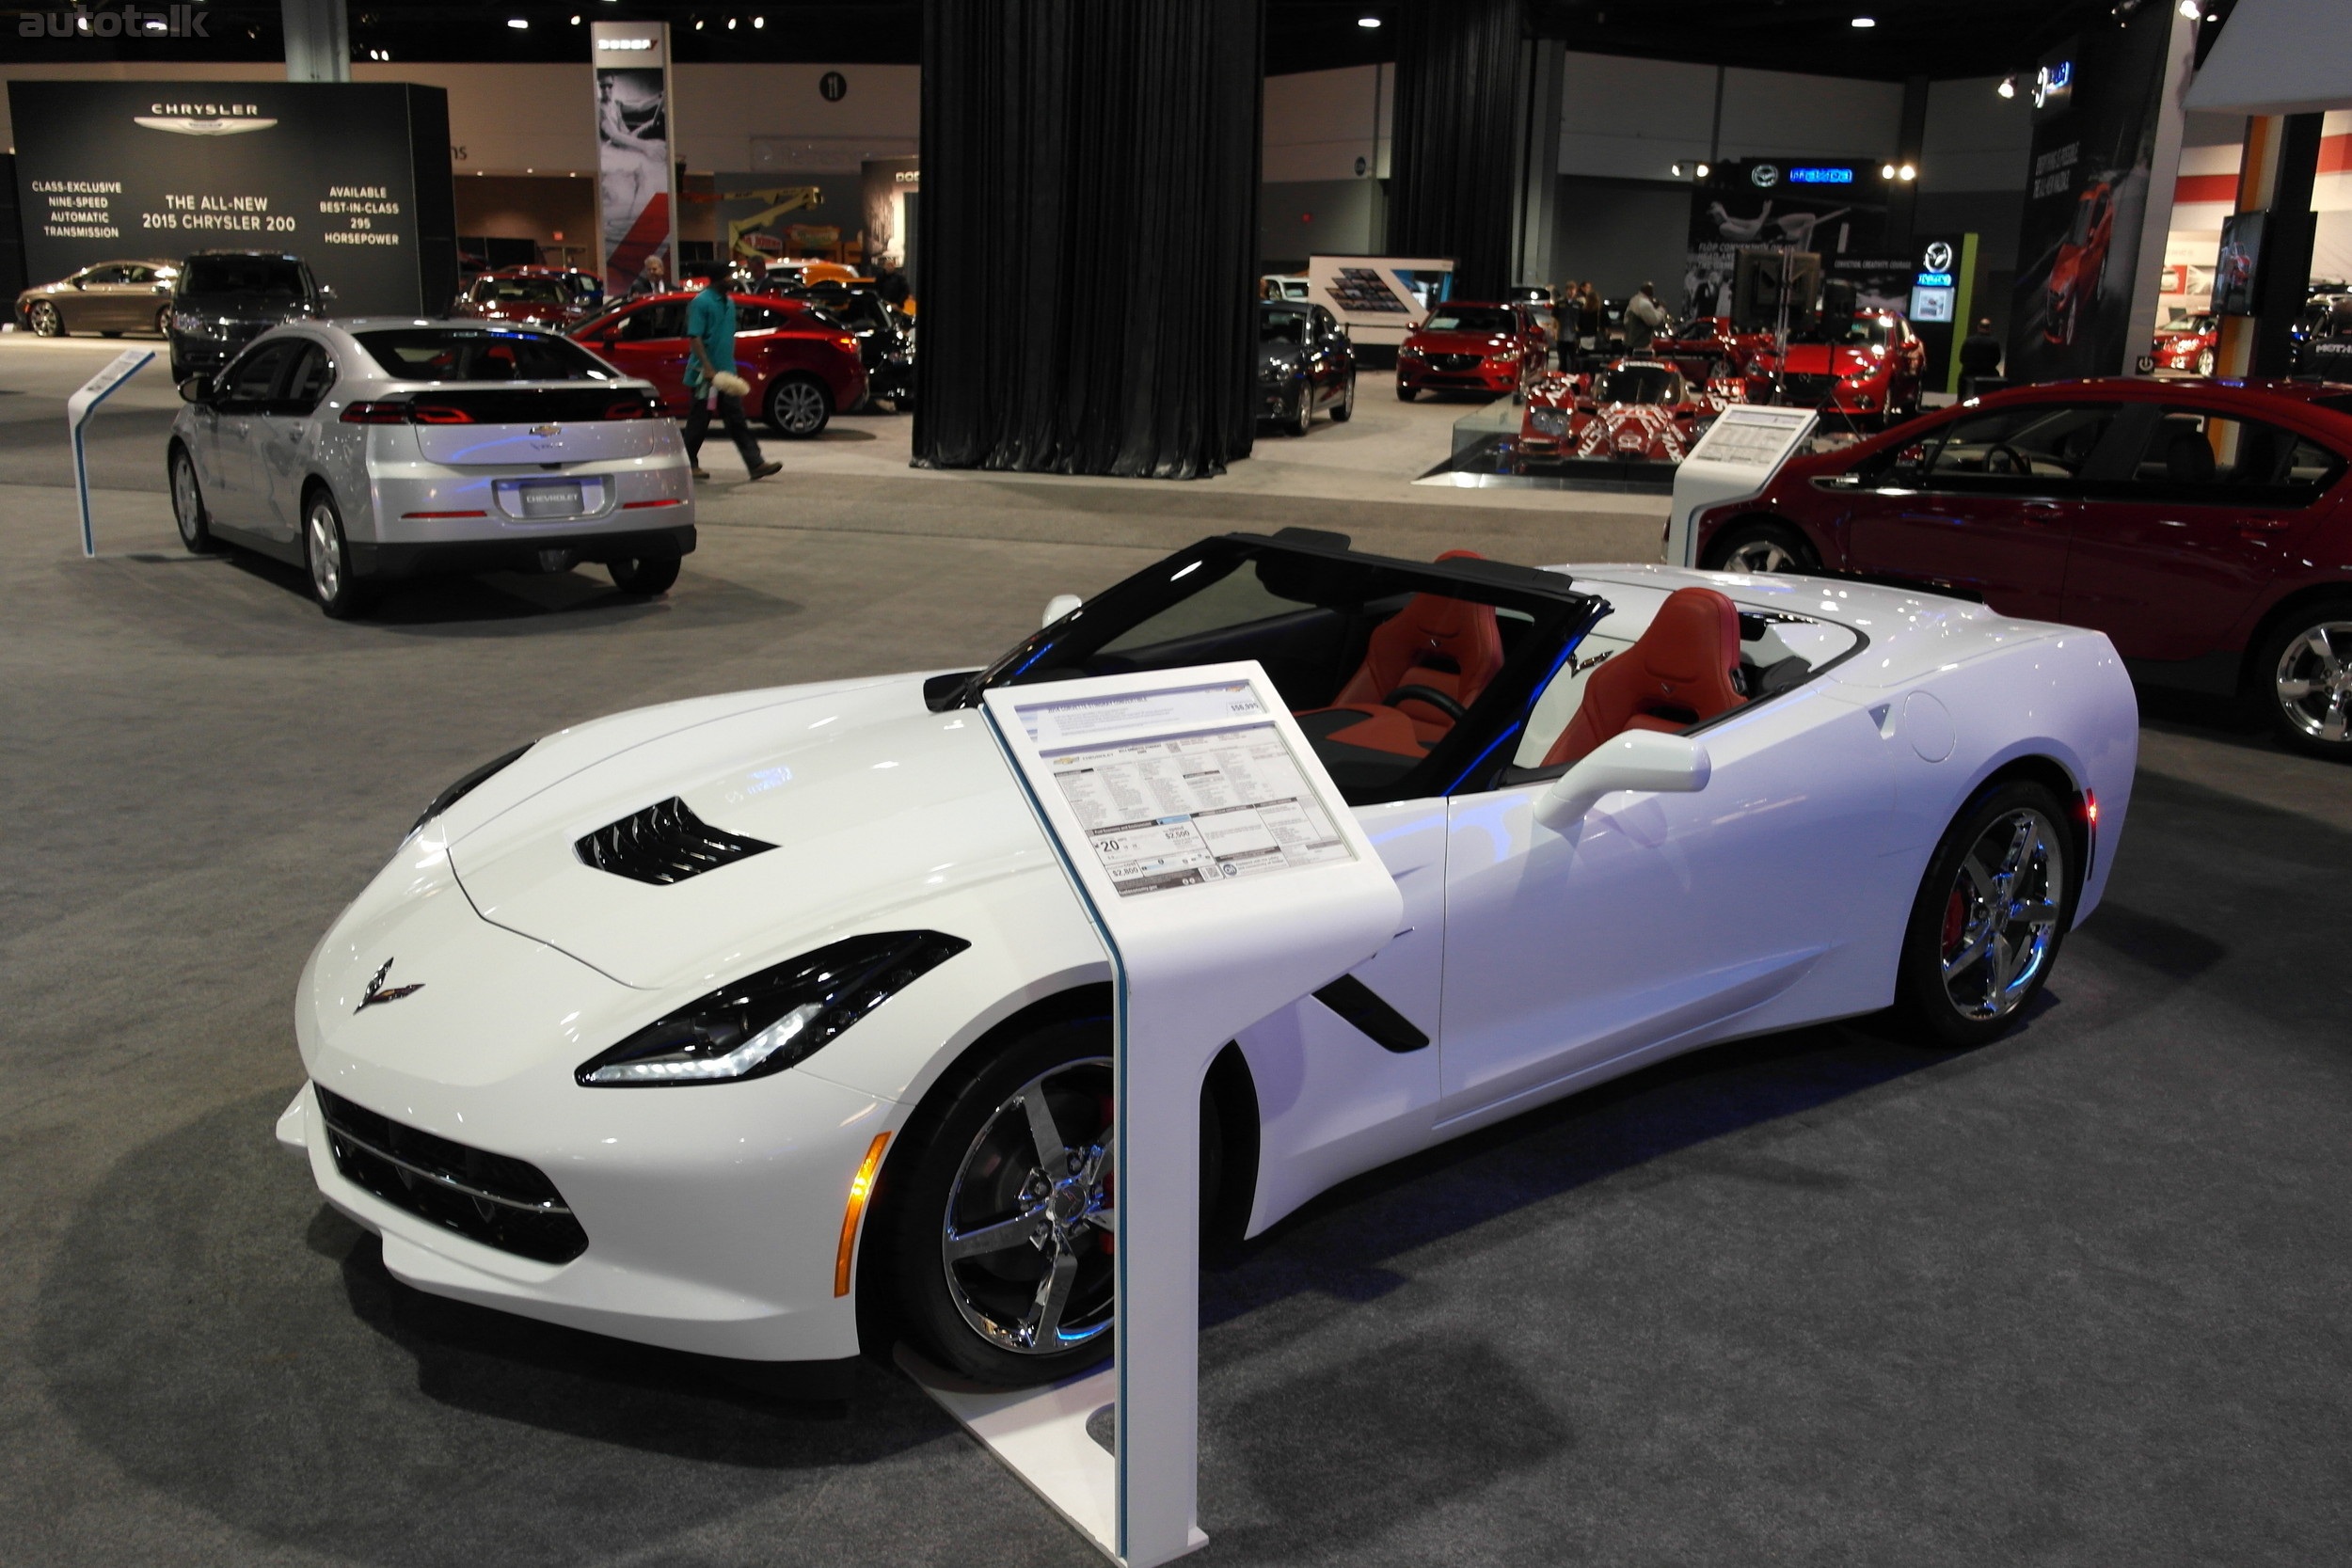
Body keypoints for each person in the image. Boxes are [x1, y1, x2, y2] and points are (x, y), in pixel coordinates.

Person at [683, 274, 781, 482]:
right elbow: (695, 337)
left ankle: (755, 464)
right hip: (706, 376)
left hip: (726, 374)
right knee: (699, 420)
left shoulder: (729, 302)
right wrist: (708, 368)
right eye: (727, 276)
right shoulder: (702, 302)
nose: (732, 280)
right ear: (717, 278)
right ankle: (687, 464)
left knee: (736, 419)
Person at [1959, 317, 2004, 396]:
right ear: (1989, 328)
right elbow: (1997, 359)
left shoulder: (1969, 341)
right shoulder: (1994, 343)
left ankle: (1960, 400)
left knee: (1962, 377)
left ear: (1978, 327)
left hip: (1970, 372)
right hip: (1988, 373)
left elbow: (1962, 358)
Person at [1625, 281, 1668, 350]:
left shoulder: (1635, 299)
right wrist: (1661, 309)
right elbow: (1654, 320)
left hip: (1631, 341)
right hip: (1640, 343)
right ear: (1648, 290)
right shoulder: (1644, 303)